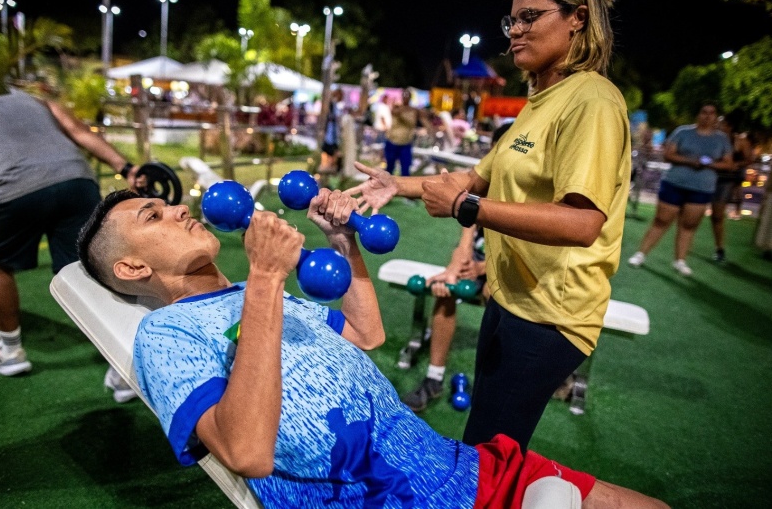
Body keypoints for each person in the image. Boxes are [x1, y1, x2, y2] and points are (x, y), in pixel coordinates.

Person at [76, 188, 668, 509]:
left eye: (167, 202)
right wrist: (264, 279)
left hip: (456, 469)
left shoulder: (256, 291)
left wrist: (342, 243)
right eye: (154, 214)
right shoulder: (168, 335)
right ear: (132, 266)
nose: (179, 207)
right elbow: (245, 451)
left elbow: (366, 335)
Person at [348, 0, 632, 452]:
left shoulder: (593, 101)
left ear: (577, 18)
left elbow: (583, 222)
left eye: (530, 17)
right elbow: (477, 177)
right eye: (512, 20)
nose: (515, 31)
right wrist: (397, 185)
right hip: (511, 297)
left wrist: (467, 209)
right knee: (487, 438)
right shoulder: (540, 101)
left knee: (490, 451)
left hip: (551, 315)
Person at [0, 90, 142, 402]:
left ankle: (10, 352)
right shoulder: (31, 98)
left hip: (18, 190)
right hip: (78, 182)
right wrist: (125, 168)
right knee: (90, 270)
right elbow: (79, 132)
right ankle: (123, 366)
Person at [627, 101, 733, 276]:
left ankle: (680, 260)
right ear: (698, 114)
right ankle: (640, 254)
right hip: (675, 183)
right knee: (661, 220)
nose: (707, 116)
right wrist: (691, 161)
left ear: (716, 116)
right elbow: (668, 154)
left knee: (689, 225)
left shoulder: (721, 139)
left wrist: (710, 163)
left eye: (711, 113)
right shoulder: (683, 132)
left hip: (701, 187)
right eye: (704, 112)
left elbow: (728, 163)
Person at [401, 224, 487, 412]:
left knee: (495, 297)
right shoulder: (484, 198)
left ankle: (492, 385)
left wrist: (483, 269)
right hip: (477, 257)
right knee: (446, 292)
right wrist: (455, 267)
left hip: (511, 263)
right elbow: (467, 234)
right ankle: (434, 378)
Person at [709, 111, 754, 262]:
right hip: (707, 177)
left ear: (729, 126)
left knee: (717, 215)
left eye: (721, 124)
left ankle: (719, 248)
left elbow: (750, 158)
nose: (718, 126)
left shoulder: (739, 141)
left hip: (725, 180)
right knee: (692, 210)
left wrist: (737, 164)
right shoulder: (713, 138)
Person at [384, 88, 429, 176]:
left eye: (407, 96)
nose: (406, 98)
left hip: (406, 143)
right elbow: (395, 112)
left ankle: (405, 188)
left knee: (405, 169)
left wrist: (429, 128)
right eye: (404, 96)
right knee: (389, 168)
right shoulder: (398, 108)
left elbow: (423, 120)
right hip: (393, 141)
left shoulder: (414, 110)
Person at [319, 88, 344, 173]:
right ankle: (327, 165)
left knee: (333, 148)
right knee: (329, 148)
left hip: (334, 130)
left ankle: (332, 165)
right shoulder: (332, 105)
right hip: (331, 130)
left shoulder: (336, 105)